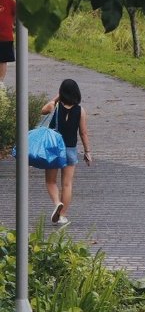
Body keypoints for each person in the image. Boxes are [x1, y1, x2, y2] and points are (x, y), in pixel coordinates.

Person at [39, 79, 93, 226]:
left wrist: (56, 98)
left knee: (50, 181)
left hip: (53, 149)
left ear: (61, 92)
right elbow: (83, 133)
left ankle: (57, 203)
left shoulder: (54, 106)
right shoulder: (80, 110)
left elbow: (43, 110)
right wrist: (87, 152)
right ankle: (62, 215)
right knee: (67, 184)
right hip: (70, 150)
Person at [0, 0, 16, 85]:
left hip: (5, 38)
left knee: (3, 61)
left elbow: (16, 17)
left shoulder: (10, 2)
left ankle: (0, 83)